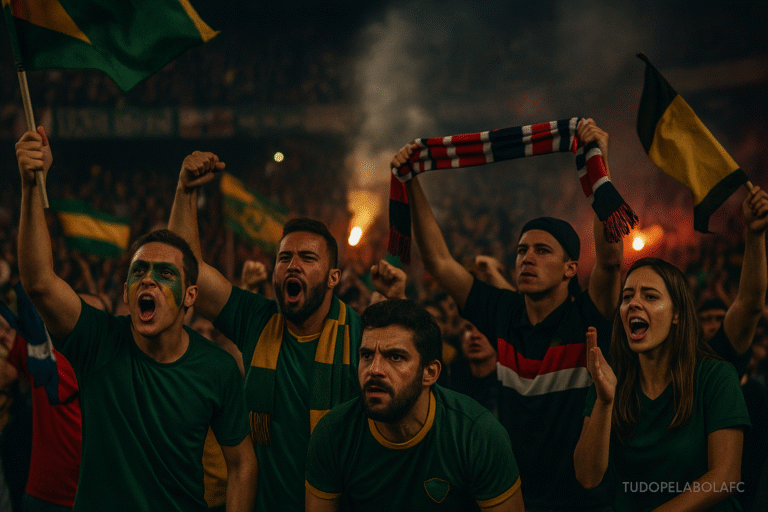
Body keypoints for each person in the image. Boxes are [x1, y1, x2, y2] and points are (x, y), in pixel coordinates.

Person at [16, 128, 256, 512]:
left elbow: (242, 464)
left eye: (164, 273)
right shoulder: (98, 341)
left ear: (189, 297)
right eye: (139, 271)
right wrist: (31, 188)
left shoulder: (217, 368)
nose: (148, 278)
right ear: (126, 290)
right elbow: (40, 283)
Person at [396, 119, 621, 510]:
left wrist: (600, 164)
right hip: (508, 497)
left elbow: (612, 261)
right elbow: (439, 261)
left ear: (571, 268)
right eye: (521, 251)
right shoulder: (503, 312)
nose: (526, 259)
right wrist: (411, 178)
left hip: (580, 501)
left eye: (542, 251)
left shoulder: (588, 316)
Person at [168, 151, 405, 512]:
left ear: (333, 278)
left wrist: (398, 309)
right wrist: (184, 191)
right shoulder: (256, 319)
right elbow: (188, 269)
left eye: (308, 259)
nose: (292, 265)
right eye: (283, 258)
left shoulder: (362, 337)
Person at [305, 299, 524, 511]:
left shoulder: (476, 434)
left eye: (396, 357)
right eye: (367, 355)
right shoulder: (334, 433)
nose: (374, 369)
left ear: (430, 373)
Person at [574, 257, 750, 511]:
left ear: (677, 314)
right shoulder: (610, 380)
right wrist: (605, 402)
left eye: (650, 296)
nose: (633, 303)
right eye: (627, 297)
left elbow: (726, 477)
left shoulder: (716, 376)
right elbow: (587, 477)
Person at [448, 319, 500, 418]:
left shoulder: (512, 387)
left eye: (484, 329)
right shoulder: (450, 383)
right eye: (468, 329)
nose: (475, 335)